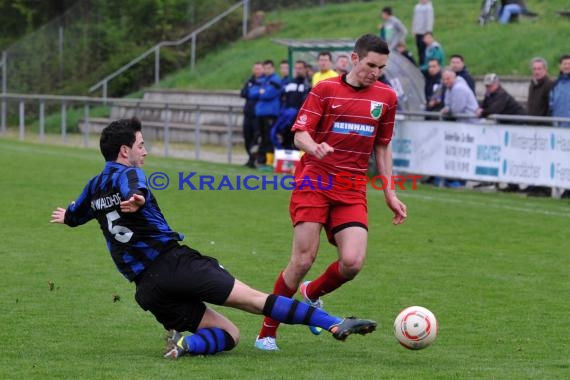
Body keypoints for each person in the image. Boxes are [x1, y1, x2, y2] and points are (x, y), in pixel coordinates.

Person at [49, 118, 377, 359]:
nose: (144, 151)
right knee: (256, 300)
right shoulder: (130, 173)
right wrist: (135, 199)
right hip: (176, 264)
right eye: (140, 145)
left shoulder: (93, 187)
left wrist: (68, 216)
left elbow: (76, 216)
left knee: (229, 334)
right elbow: (135, 187)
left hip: (146, 289)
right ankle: (333, 323)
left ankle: (185, 345)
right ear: (124, 150)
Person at [254, 34, 407, 351]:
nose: (374, 72)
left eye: (380, 67)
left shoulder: (387, 98)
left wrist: (389, 193)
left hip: (352, 187)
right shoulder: (325, 90)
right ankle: (267, 332)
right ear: (354, 59)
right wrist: (314, 147)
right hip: (315, 181)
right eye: (369, 65)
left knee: (352, 262)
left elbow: (382, 146)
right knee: (302, 260)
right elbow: (299, 134)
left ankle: (311, 293)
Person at [271, 60, 311, 149]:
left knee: (297, 143)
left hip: (299, 119)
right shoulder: (290, 83)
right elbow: (282, 99)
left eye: (300, 68)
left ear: (305, 69)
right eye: (296, 68)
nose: (298, 70)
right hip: (287, 118)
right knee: (279, 137)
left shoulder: (308, 85)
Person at [253, 60, 282, 166]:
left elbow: (268, 94)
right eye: (265, 68)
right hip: (260, 113)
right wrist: (260, 92)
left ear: (273, 68)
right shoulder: (263, 80)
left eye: (269, 68)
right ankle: (261, 160)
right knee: (262, 137)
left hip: (270, 113)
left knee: (269, 137)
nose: (267, 70)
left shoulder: (276, 80)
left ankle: (268, 161)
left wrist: (261, 92)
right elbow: (252, 92)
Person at [239, 62, 264, 168]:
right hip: (248, 113)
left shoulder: (265, 81)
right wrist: (255, 93)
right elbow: (243, 93)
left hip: (258, 115)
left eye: (259, 69)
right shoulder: (250, 80)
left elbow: (262, 94)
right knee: (247, 137)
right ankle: (250, 158)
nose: (257, 71)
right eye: (255, 69)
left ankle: (255, 159)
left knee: (256, 138)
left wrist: (253, 93)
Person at [549, 54, 570, 127]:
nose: (567, 66)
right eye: (565, 64)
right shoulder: (554, 84)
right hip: (558, 128)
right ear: (560, 66)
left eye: (569, 64)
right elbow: (551, 105)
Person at [411, 0, 434, 66]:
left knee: (425, 50)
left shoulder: (429, 7)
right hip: (418, 32)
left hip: (425, 33)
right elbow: (415, 19)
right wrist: (414, 30)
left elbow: (429, 20)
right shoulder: (417, 7)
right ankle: (421, 64)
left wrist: (428, 32)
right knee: (419, 50)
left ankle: (425, 64)